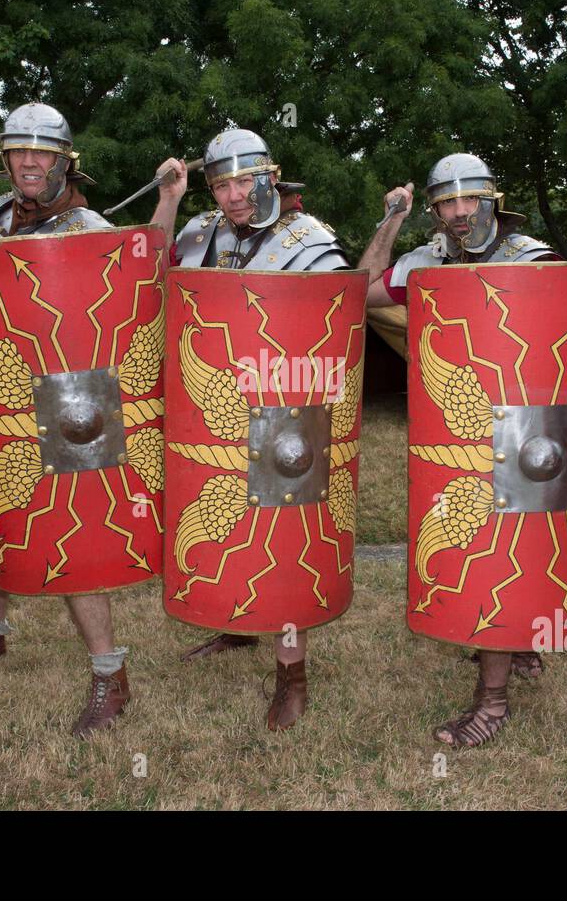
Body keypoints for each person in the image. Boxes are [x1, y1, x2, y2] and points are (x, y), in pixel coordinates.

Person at [0, 103, 182, 736]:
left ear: (63, 161)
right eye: (18, 151)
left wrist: (169, 202)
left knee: (72, 539)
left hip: (72, 407)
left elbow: (142, 270)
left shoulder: (86, 224)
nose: (28, 162)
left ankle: (110, 672)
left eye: (41, 153)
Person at [359, 153, 561, 747]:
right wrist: (391, 222)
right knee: (490, 545)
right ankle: (511, 653)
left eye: (469, 199)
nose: (460, 213)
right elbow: (360, 291)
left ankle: (493, 699)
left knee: (514, 543)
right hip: (462, 421)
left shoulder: (530, 257)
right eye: (447, 202)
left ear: (493, 199)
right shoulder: (426, 261)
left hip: (524, 424)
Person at [153, 128, 351, 730]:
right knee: (227, 523)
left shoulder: (308, 239)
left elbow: (333, 318)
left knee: (285, 539)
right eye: (220, 185)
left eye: (243, 181)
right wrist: (169, 198)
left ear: (270, 176)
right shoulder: (198, 233)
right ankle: (237, 624)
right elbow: (145, 272)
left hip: (283, 408)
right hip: (214, 402)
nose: (234, 196)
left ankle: (291, 674)